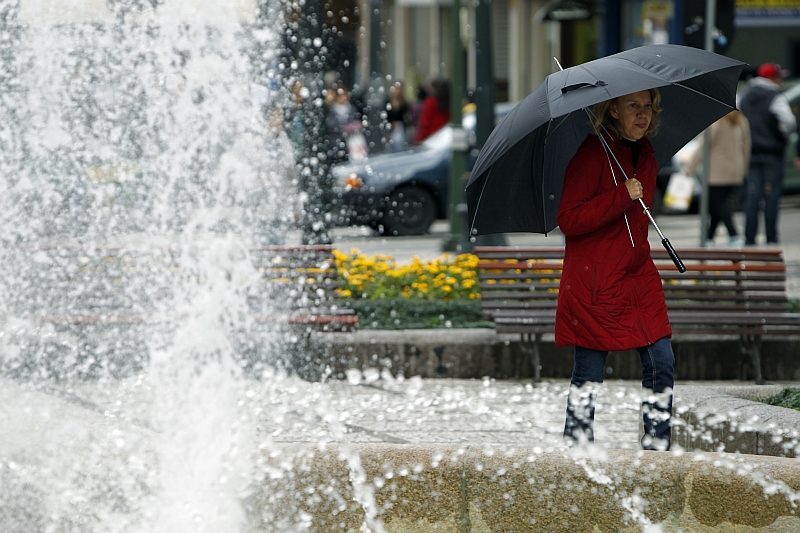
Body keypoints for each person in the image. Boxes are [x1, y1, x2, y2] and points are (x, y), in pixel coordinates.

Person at [556, 89, 675, 451]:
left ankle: (657, 448)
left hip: (638, 277)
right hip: (596, 282)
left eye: (649, 106)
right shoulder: (593, 155)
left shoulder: (648, 158)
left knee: (662, 362)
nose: (644, 114)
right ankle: (576, 450)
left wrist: (628, 196)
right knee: (589, 375)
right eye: (633, 106)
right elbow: (569, 219)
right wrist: (621, 194)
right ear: (612, 110)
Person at [739, 63, 797, 245]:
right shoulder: (774, 96)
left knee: (752, 195)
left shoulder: (745, 95)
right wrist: (782, 136)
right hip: (772, 153)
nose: (780, 80)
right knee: (771, 196)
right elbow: (789, 121)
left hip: (751, 152)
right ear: (772, 78)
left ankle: (749, 238)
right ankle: (771, 238)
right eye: (779, 76)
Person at [685, 110, 751, 247]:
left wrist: (690, 168)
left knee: (720, 205)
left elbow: (704, 146)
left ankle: (734, 235)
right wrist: (743, 170)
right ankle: (709, 238)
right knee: (718, 205)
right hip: (735, 170)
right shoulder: (740, 120)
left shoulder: (715, 122)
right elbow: (747, 146)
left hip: (717, 171)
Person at [413, 79, 450, 144]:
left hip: (431, 138)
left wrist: (419, 139)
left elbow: (425, 122)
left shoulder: (431, 102)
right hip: (445, 139)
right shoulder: (451, 104)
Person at [385, 80, 411, 152]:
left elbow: (406, 118)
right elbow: (386, 118)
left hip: (401, 130)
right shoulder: (388, 102)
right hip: (391, 130)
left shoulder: (404, 103)